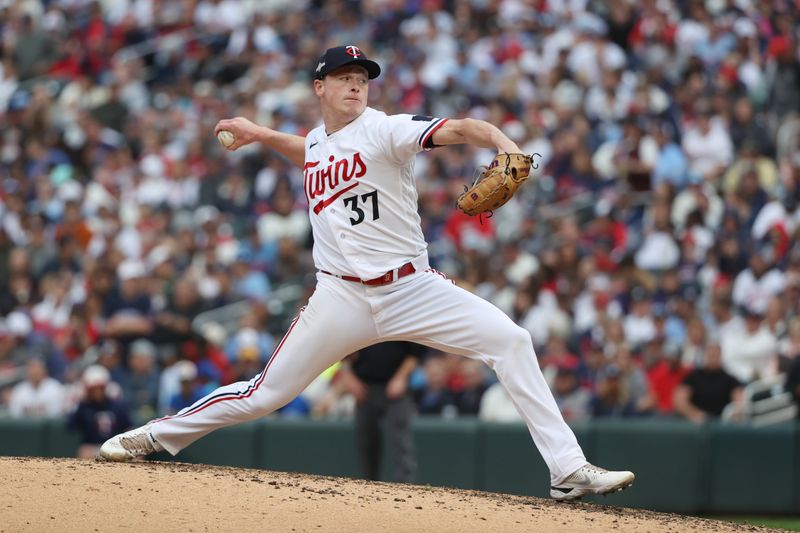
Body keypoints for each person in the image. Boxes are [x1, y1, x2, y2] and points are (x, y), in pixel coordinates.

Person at [99, 45, 634, 501]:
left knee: (512, 340)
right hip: (340, 298)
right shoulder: (316, 142)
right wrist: (261, 133)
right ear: (320, 88)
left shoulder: (386, 131)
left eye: (362, 80)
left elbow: (461, 127)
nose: (356, 87)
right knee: (265, 394)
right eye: (344, 79)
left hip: (413, 288)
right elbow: (309, 152)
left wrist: (501, 143)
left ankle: (568, 470)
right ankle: (155, 436)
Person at [337, 341, 423, 483]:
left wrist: (401, 378)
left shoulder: (399, 319)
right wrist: (349, 379)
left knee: (401, 441)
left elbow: (414, 352)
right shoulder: (358, 321)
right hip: (364, 387)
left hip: (396, 387)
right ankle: (369, 487)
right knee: (366, 440)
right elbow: (342, 351)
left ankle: (406, 488)